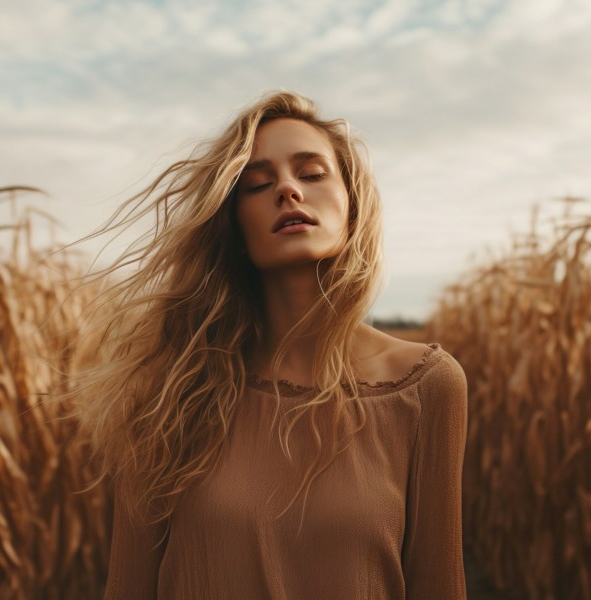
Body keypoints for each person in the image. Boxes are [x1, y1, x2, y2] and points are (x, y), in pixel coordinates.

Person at [73, 91, 468, 599]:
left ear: (352, 206)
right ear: (235, 229)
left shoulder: (426, 387)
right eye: (258, 184)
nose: (287, 189)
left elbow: (440, 586)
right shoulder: (169, 389)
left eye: (311, 174)